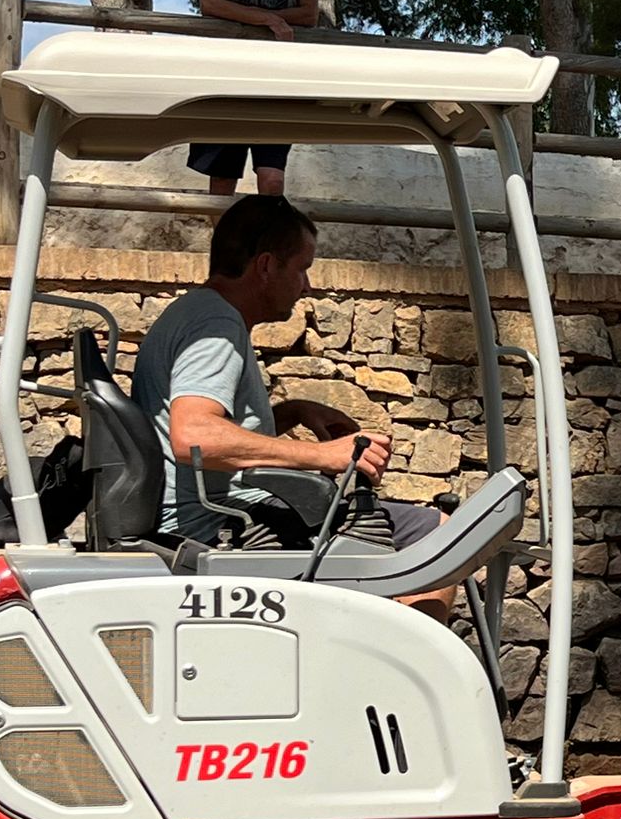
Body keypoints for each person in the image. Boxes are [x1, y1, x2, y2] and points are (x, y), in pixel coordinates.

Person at [131, 195, 457, 622]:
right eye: (302, 268)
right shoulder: (216, 326)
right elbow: (194, 435)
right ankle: (414, 676)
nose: (308, 286)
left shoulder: (196, 313)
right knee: (437, 535)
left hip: (206, 512)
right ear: (266, 266)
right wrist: (325, 456)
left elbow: (210, 424)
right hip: (217, 525)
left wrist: (292, 412)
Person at [188, 0, 323, 197]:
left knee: (272, 179)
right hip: (225, 81)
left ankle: (268, 243)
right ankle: (224, 245)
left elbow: (309, 13)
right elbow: (209, 3)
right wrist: (267, 20)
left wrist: (246, 17)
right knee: (222, 180)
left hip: (277, 83)